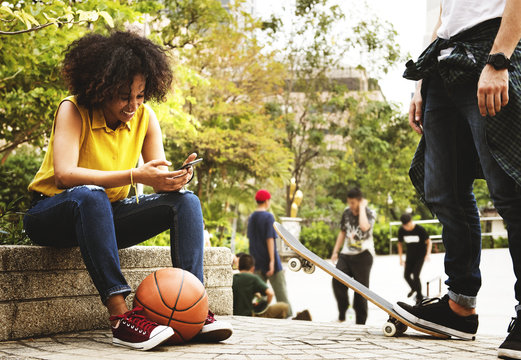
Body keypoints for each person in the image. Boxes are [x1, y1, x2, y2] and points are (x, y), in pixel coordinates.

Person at [22, 31, 232, 351]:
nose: (133, 105)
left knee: (185, 202)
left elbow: (156, 172)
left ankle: (194, 309)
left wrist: (174, 178)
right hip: (52, 214)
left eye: (140, 95)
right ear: (101, 88)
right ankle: (122, 317)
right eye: (124, 96)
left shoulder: (146, 117)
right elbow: (65, 175)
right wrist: (135, 174)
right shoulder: (73, 109)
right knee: (90, 194)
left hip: (105, 217)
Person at [394, 0, 521, 354]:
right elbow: (442, 16)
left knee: (510, 189)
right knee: (443, 190)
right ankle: (459, 307)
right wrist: (420, 84)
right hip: (443, 58)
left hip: (494, 47)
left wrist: (500, 59)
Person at [331, 188, 376, 324]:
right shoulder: (346, 212)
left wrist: (362, 208)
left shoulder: (369, 213)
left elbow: (364, 227)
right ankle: (343, 315)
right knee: (337, 281)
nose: (351, 206)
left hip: (364, 255)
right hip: (346, 254)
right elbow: (342, 232)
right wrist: (335, 251)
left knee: (361, 290)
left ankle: (360, 322)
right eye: (349, 203)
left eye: (353, 203)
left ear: (360, 201)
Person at [247, 189, 293, 317]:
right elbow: (269, 240)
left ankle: (258, 315)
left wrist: (252, 263)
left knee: (259, 295)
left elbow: (251, 241)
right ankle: (288, 316)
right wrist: (272, 261)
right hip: (270, 261)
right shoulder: (268, 216)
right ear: (267, 201)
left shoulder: (252, 217)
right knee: (281, 293)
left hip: (256, 262)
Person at [232, 254, 290, 318]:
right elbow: (270, 293)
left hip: (235, 314)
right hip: (251, 314)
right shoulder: (253, 278)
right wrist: (266, 304)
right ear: (252, 268)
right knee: (283, 307)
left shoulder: (233, 278)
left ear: (239, 267)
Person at [397, 213, 432, 305]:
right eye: (404, 226)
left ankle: (419, 297)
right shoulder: (401, 230)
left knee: (416, 275)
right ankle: (414, 288)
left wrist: (427, 254)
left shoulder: (420, 229)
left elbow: (429, 242)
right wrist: (400, 258)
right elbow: (399, 244)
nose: (407, 228)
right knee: (406, 275)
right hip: (409, 256)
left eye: (408, 225)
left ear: (411, 222)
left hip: (420, 256)